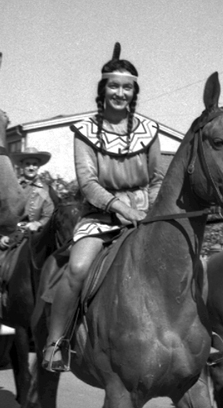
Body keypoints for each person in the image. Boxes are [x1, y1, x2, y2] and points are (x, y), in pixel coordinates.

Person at [42, 42, 164, 372]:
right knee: (78, 268)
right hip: (100, 217)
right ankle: (56, 342)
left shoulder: (149, 131)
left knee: (187, 259)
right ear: (103, 89)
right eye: (114, 86)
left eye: (127, 88)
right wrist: (121, 208)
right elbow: (88, 183)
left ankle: (203, 334)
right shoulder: (84, 131)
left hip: (146, 217)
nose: (120, 93)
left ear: (134, 92)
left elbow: (157, 179)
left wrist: (150, 210)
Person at [0, 146, 54, 326]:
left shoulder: (46, 190)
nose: (31, 167)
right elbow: (1, 212)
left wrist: (39, 224)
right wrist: (2, 234)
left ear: (39, 166)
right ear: (21, 166)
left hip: (37, 237)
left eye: (34, 164)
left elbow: (51, 215)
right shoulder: (12, 187)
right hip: (13, 236)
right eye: (28, 164)